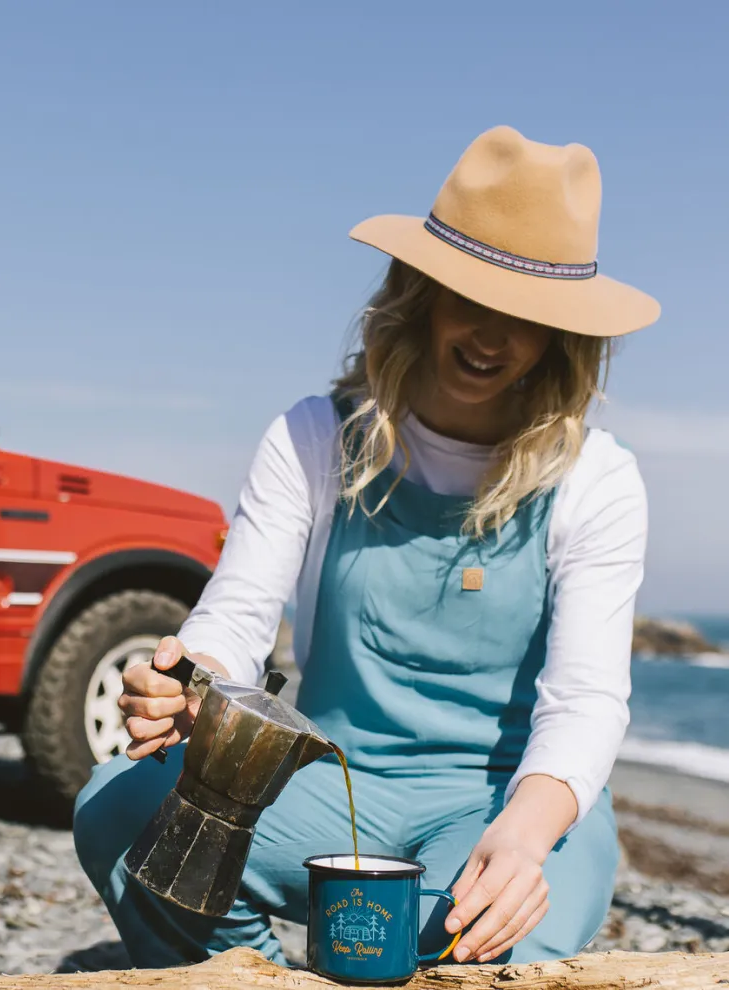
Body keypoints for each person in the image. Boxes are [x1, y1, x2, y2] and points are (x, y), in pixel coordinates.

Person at [73, 125, 658, 967]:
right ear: (417, 288)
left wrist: (526, 838)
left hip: (505, 800)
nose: (493, 336)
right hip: (325, 786)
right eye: (470, 297)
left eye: (526, 314)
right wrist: (186, 681)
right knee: (118, 808)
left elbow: (587, 699)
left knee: (500, 930)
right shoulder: (314, 437)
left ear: (562, 333)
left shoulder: (596, 479)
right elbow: (236, 618)